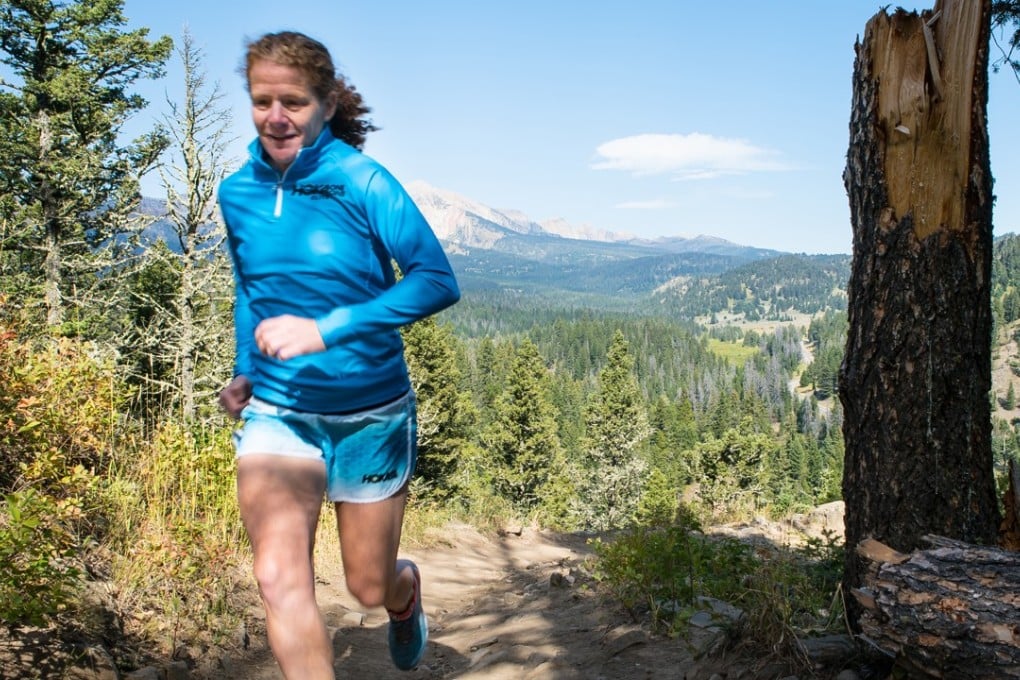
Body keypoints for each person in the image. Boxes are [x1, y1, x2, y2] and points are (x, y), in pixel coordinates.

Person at [216, 30, 460, 679]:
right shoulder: (236, 191)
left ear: (324, 102)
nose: (275, 115)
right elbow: (251, 289)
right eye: (262, 99)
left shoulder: (362, 180)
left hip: (371, 413)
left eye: (292, 101)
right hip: (277, 411)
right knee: (277, 578)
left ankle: (406, 602)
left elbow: (436, 280)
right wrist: (245, 366)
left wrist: (326, 330)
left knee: (369, 587)